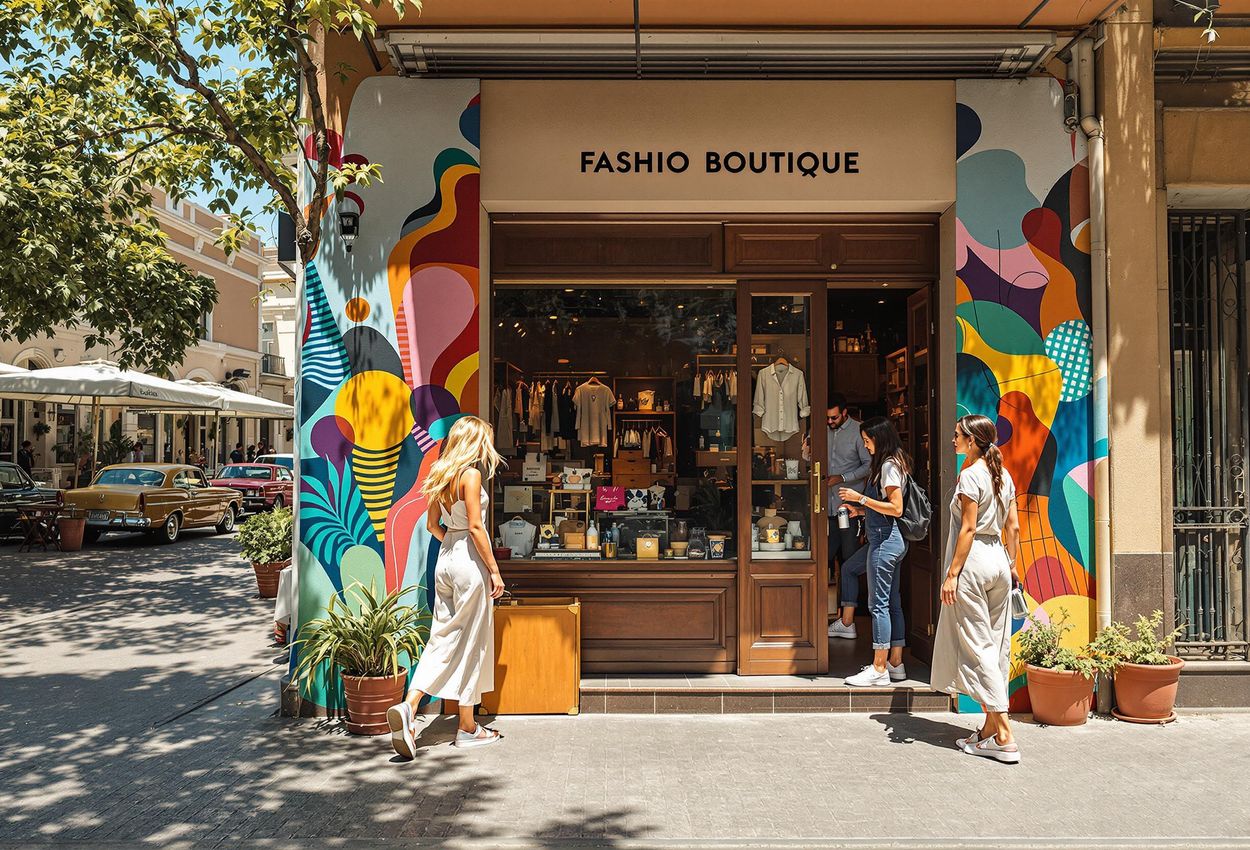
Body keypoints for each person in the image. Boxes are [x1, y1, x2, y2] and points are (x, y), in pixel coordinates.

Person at [387, 415, 506, 759]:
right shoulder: (471, 475)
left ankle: (410, 706)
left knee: (442, 637)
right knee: (472, 642)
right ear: (474, 441)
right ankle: (467, 728)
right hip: (469, 561)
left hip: (446, 558)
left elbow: (432, 525)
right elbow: (476, 527)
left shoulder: (440, 475)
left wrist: (452, 544)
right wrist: (494, 571)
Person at [931, 414, 1022, 764]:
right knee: (997, 645)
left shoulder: (971, 476)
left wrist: (952, 574)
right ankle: (987, 730)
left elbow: (967, 529)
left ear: (972, 441)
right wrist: (1011, 565)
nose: (952, 440)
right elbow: (1013, 527)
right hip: (999, 560)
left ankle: (1004, 734)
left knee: (977, 645)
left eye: (957, 435)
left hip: (973, 562)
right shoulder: (1003, 475)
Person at [837, 417, 910, 687]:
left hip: (885, 542)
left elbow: (896, 508)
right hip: (893, 540)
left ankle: (879, 668)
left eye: (867, 441)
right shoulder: (894, 463)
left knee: (878, 605)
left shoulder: (889, 466)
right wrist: (861, 511)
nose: (865, 446)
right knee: (892, 603)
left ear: (878, 439)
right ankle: (896, 663)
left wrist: (860, 499)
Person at [816, 393, 871, 640]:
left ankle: (847, 620)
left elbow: (869, 465)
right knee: (820, 559)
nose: (830, 422)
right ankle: (816, 616)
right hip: (822, 508)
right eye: (827, 418)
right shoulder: (820, 430)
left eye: (834, 417)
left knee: (848, 563)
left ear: (845, 413)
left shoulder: (859, 432)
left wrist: (843, 478)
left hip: (849, 510)